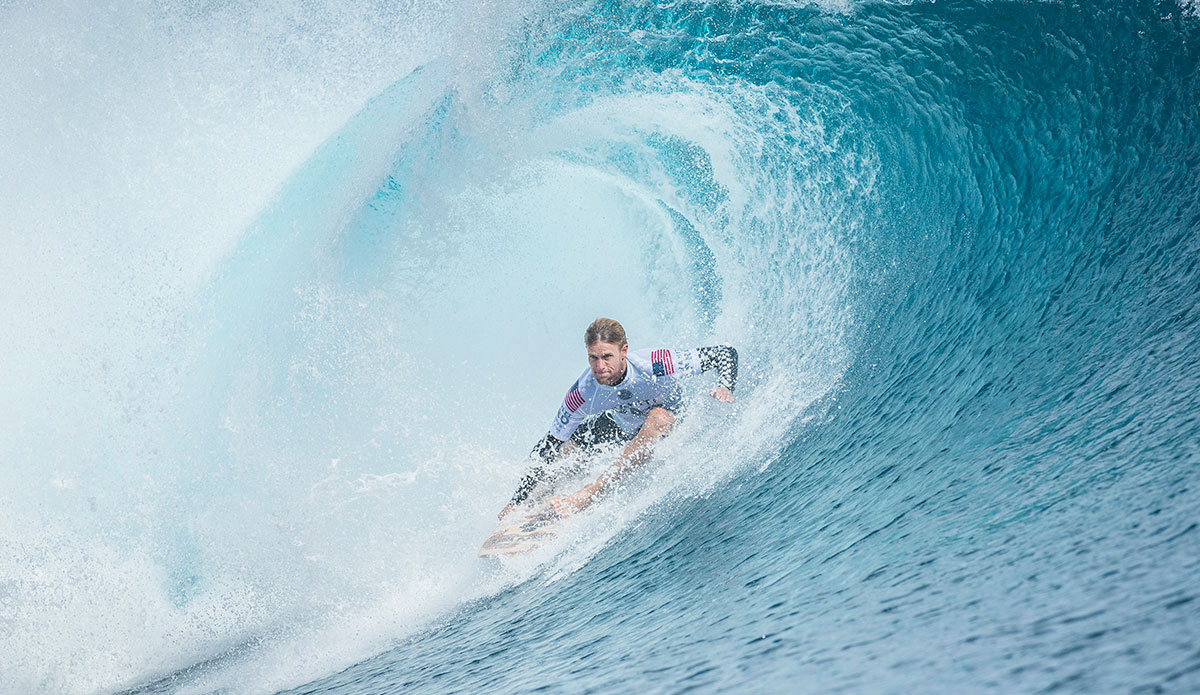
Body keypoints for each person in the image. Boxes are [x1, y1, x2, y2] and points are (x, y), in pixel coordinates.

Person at [499, 317, 738, 520]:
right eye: (593, 358)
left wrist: (725, 386)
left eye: (606, 356)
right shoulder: (583, 390)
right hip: (622, 425)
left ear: (623, 351)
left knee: (658, 418)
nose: (600, 366)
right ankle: (532, 505)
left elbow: (724, 354)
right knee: (565, 450)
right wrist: (517, 499)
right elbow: (549, 443)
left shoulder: (656, 362)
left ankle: (589, 495)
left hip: (667, 421)